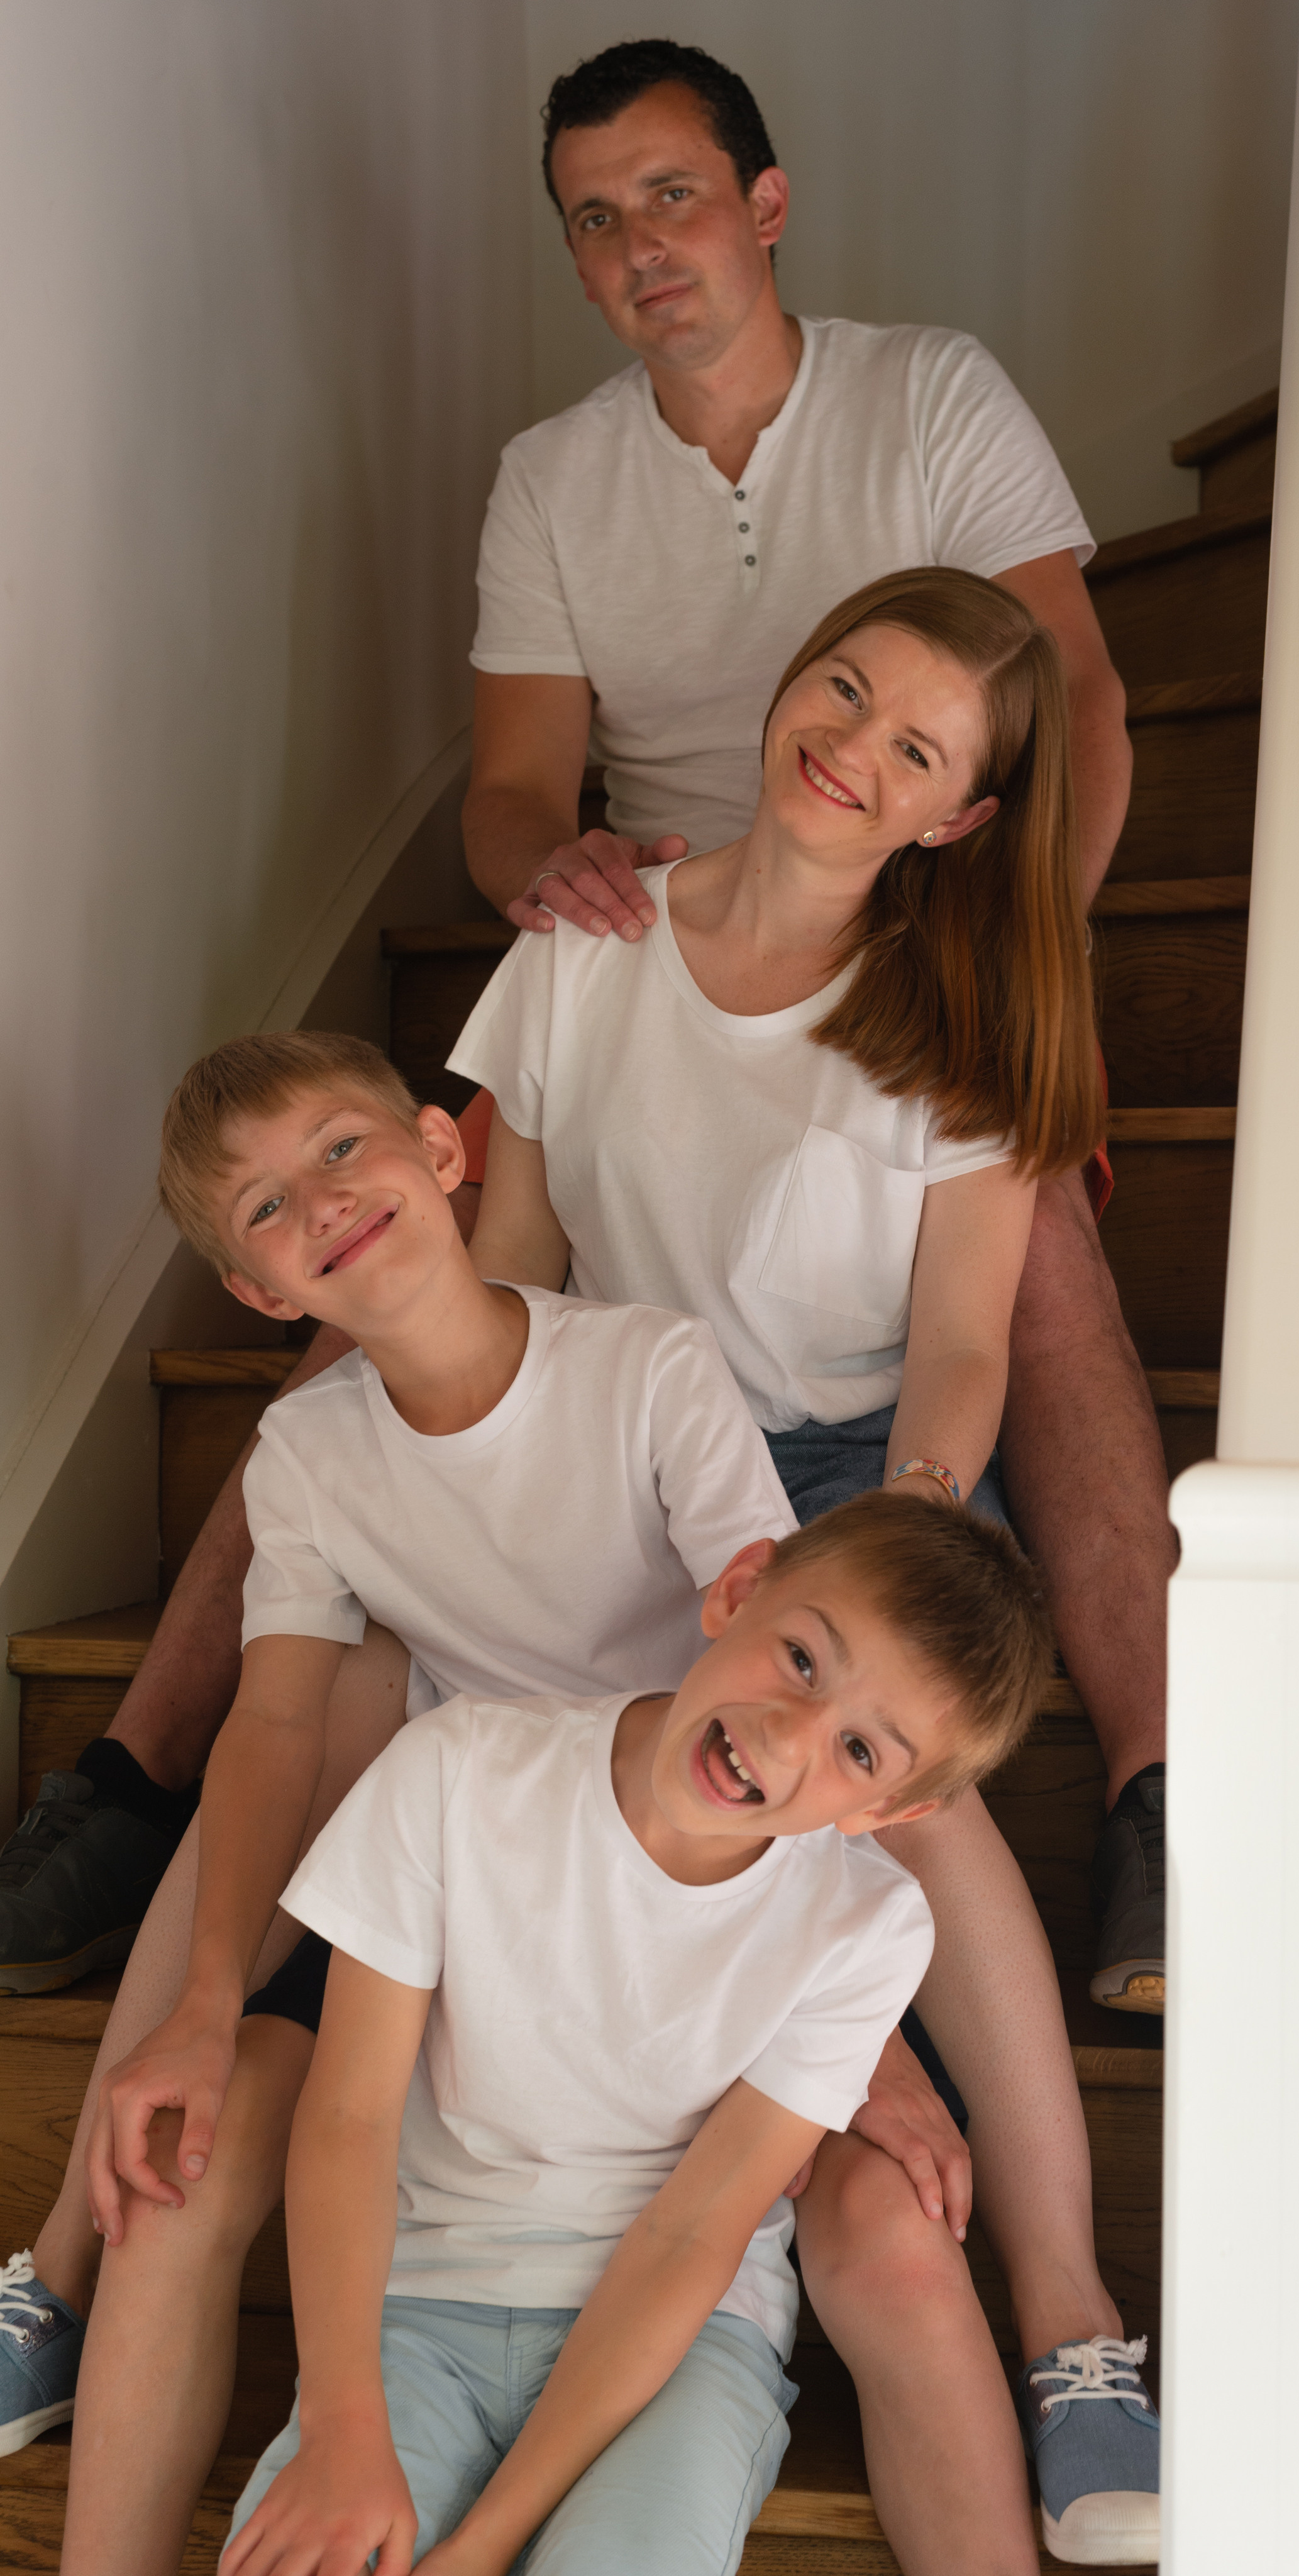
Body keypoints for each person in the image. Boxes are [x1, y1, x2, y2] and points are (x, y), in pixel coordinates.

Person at [0, 37, 1164, 2026]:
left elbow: (1071, 704)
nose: (641, 243)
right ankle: (133, 1770)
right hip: (651, 938)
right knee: (395, 1287)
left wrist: (1006, 985)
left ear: (765, 203)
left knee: (1023, 1225)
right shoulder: (556, 479)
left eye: (675, 194)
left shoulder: (930, 395)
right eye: (595, 218)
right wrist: (566, 884)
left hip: (914, 956)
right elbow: (514, 791)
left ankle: (1151, 1786)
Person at [453, 564, 1161, 2568]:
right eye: (846, 689)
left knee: (912, 1817)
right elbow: (512, 1261)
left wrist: (896, 1537)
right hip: (629, 1445)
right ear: (792, 677)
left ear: (958, 817)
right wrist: (524, 1492)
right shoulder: (589, 942)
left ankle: (1069, 2323)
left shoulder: (966, 1002)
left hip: (870, 1466)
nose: (852, 748)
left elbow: (959, 1345)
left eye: (916, 748)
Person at [11, 1028, 810, 2557]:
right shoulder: (302, 1449)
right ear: (265, 1296)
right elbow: (270, 1730)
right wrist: (200, 1996)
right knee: (187, 2150)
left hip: (679, 1858)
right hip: (452, 1876)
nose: (316, 1200)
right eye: (260, 1208)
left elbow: (780, 1668)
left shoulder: (647, 1364)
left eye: (338, 1147)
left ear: (448, 1152)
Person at [220, 1492, 1053, 2576]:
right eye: (802, 1659)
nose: (790, 1735)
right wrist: (341, 2425)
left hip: (685, 2342)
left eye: (858, 1750)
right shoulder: (457, 1768)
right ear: (740, 1589)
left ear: (886, 1814)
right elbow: (345, 2120)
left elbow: (689, 2237)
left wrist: (484, 2546)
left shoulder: (869, 1930)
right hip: (418, 2307)